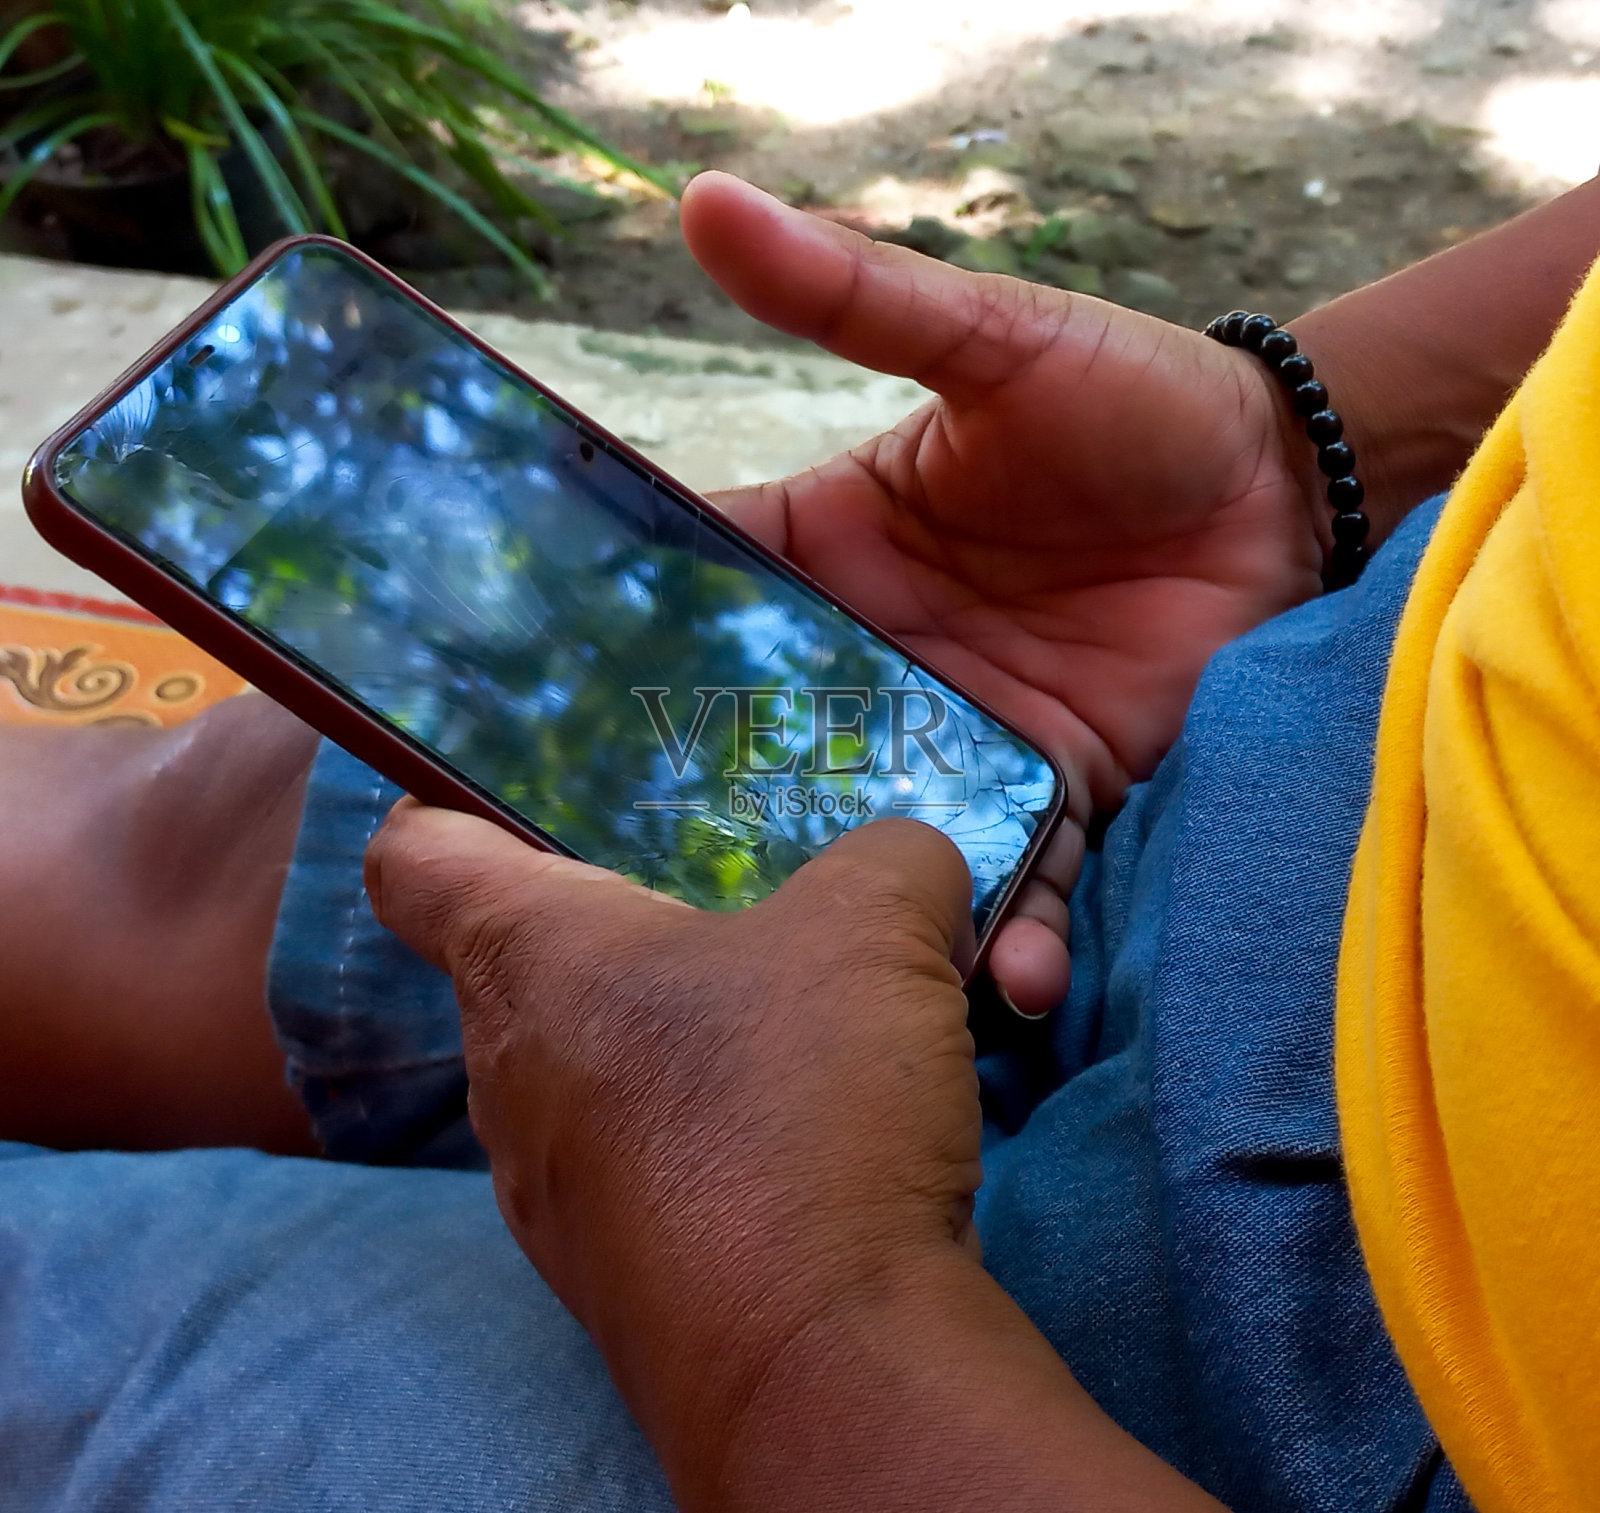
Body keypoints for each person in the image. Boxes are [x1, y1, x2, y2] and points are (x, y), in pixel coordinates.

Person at [2, 166, 1598, 1510]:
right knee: (170, 834)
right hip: (1204, 741)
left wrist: (796, 1343)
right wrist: (1308, 455)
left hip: (1067, 1399)